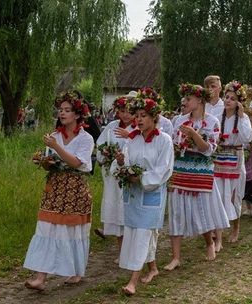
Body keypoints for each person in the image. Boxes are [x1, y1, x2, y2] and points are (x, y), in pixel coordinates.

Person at [23, 92, 95, 290]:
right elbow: (52, 162)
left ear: (77, 114)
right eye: (60, 110)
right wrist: (44, 162)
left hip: (74, 188)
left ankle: (75, 271)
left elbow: (76, 162)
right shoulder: (54, 136)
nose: (62, 113)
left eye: (67, 110)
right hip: (54, 187)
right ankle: (40, 277)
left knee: (71, 231)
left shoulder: (86, 139)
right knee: (46, 228)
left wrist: (57, 148)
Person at [165, 83, 230, 270]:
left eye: (189, 98)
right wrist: (179, 145)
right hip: (180, 168)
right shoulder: (179, 120)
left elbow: (208, 149)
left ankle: (209, 243)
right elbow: (174, 145)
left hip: (200, 170)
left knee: (202, 211)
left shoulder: (212, 122)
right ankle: (176, 257)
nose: (185, 101)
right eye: (184, 98)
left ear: (200, 100)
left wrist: (193, 134)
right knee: (176, 211)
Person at [115, 96, 174, 296]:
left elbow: (164, 169)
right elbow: (125, 164)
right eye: (137, 116)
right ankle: (153, 268)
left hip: (151, 194)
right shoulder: (132, 139)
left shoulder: (164, 140)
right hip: (133, 196)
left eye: (143, 116)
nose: (138, 120)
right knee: (136, 233)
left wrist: (140, 179)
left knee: (143, 235)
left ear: (154, 117)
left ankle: (132, 282)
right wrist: (122, 163)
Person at [94, 95, 137, 260]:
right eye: (121, 111)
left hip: (130, 177)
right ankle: (121, 252)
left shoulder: (137, 128)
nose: (125, 115)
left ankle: (133, 251)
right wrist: (105, 152)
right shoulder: (111, 127)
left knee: (128, 210)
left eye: (129, 111)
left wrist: (129, 138)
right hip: (113, 178)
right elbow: (100, 145)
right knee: (117, 213)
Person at [213, 81, 252, 243]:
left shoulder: (242, 118)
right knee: (219, 193)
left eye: (232, 98)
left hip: (235, 158)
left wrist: (243, 116)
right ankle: (219, 231)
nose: (228, 100)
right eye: (226, 97)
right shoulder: (217, 117)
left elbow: (246, 138)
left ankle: (235, 227)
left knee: (234, 194)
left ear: (239, 102)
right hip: (219, 158)